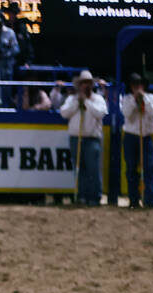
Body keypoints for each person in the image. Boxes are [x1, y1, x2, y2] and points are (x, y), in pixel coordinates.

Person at [58, 70, 106, 206]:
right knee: (79, 169)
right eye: (83, 83)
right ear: (79, 85)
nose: (85, 86)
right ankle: (81, 196)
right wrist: (77, 103)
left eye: (88, 83)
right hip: (75, 138)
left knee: (93, 170)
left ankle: (94, 197)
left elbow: (100, 113)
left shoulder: (98, 99)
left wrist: (86, 102)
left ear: (92, 85)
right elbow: (64, 113)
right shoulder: (72, 99)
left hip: (92, 138)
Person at [121, 72, 153, 209]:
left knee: (148, 169)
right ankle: (133, 200)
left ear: (143, 86)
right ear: (131, 87)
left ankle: (149, 200)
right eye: (134, 85)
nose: (137, 88)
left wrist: (144, 100)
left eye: (139, 85)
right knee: (131, 169)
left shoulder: (152, 98)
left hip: (146, 136)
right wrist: (134, 101)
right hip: (131, 136)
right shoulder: (126, 99)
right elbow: (126, 114)